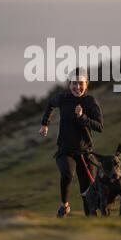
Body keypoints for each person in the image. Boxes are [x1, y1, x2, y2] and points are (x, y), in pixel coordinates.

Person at [39, 67, 104, 217]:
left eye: (81, 83)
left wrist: (82, 117)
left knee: (87, 195)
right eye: (74, 83)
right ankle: (64, 206)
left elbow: (99, 127)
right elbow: (50, 104)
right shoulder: (63, 98)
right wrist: (45, 124)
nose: (77, 87)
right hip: (65, 150)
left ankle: (91, 224)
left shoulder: (90, 102)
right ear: (69, 84)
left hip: (85, 153)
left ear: (86, 84)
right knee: (67, 173)